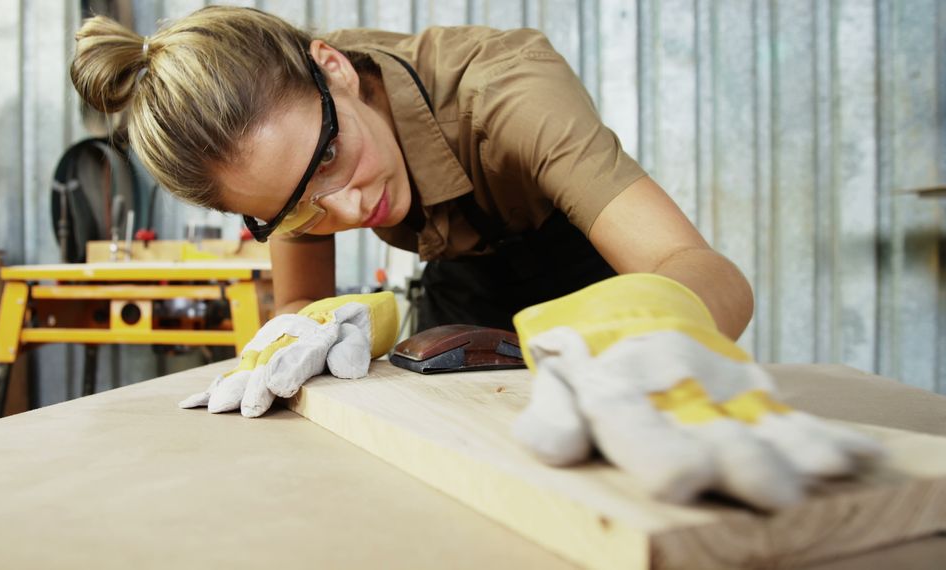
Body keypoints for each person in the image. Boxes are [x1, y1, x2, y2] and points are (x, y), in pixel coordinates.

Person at [69, 7, 880, 510]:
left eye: (330, 161)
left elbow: (693, 261)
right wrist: (321, 323)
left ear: (335, 69)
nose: (346, 210)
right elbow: (295, 306)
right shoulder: (284, 142)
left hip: (596, 289)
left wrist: (654, 333)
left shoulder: (506, 91)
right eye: (294, 209)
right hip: (464, 287)